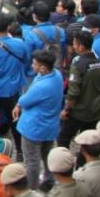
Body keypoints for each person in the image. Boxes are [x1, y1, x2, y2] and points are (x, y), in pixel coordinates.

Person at [13, 50, 64, 189]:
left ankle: (31, 187)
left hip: (34, 128)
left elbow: (25, 100)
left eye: (35, 64)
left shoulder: (43, 86)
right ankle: (49, 179)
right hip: (50, 125)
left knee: (32, 160)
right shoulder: (56, 75)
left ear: (43, 68)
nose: (32, 66)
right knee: (46, 154)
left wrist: (19, 103)